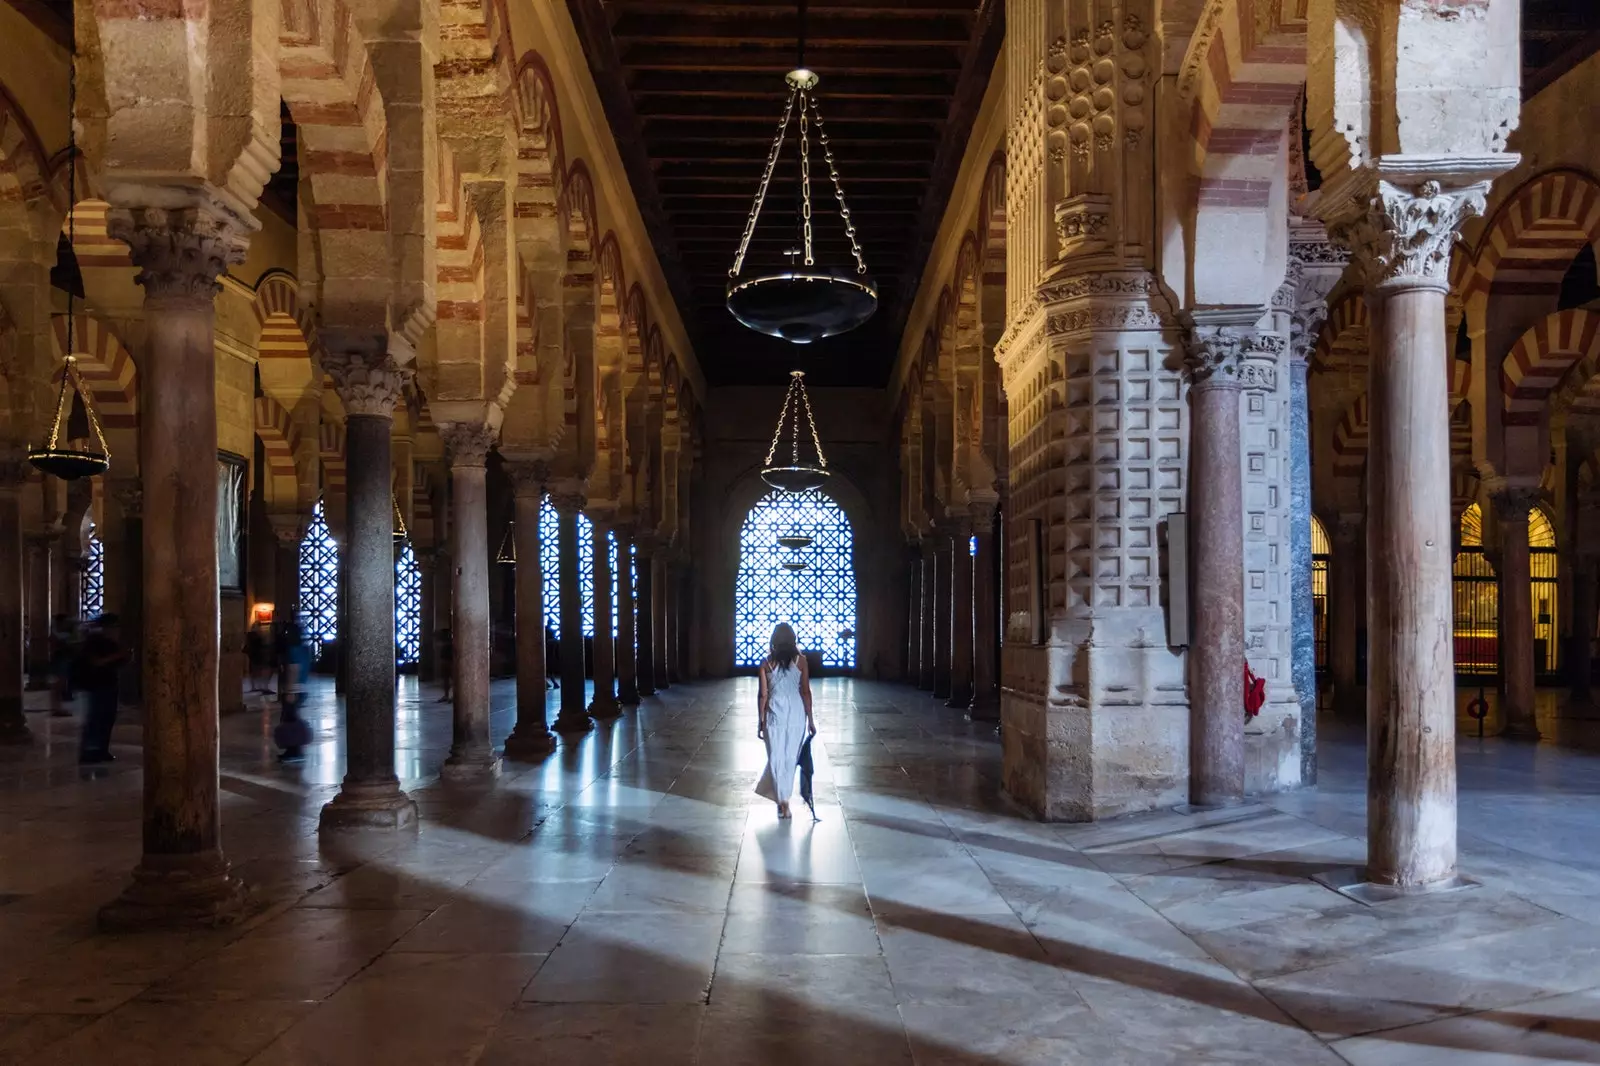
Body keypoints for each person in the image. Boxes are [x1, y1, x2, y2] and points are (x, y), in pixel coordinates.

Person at [754, 622, 816, 820]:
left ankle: (782, 801)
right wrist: (811, 720)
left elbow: (762, 695)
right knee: (789, 759)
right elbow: (805, 691)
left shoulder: (765, 663)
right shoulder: (802, 661)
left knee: (776, 759)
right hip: (796, 713)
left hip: (774, 713)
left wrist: (761, 720)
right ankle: (783, 800)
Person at [78, 614, 126, 765]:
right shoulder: (93, 642)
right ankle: (88, 751)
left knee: (107, 718)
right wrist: (117, 656)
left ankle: (102, 750)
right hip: (97, 685)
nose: (116, 630)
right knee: (95, 718)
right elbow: (96, 662)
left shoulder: (111, 642)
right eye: (114, 627)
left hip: (110, 684)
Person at [274, 617, 314, 761]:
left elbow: (293, 670)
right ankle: (294, 749)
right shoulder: (304, 649)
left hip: (294, 689)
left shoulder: (292, 651)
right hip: (302, 688)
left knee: (289, 719)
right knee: (292, 718)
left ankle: (294, 750)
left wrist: (289, 691)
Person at [48, 614, 77, 718]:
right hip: (60, 660)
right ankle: (56, 709)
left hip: (61, 660)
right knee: (58, 685)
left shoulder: (61, 634)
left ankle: (57, 708)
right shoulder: (57, 634)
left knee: (60, 685)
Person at [436, 628, 454, 702]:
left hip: (451, 662)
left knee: (453, 679)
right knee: (445, 679)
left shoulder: (452, 642)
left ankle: (452, 696)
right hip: (444, 661)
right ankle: (446, 695)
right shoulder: (443, 642)